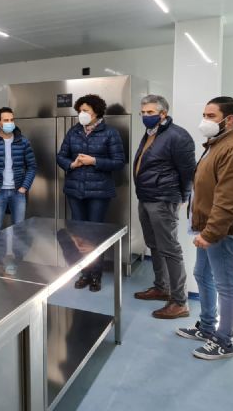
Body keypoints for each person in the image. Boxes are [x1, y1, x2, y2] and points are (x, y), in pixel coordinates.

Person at [177, 97, 233, 360]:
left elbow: (228, 199)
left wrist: (211, 233)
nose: (204, 120)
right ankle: (207, 326)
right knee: (202, 274)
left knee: (226, 285)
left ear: (229, 119)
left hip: (223, 230)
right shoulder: (217, 144)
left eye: (210, 116)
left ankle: (224, 341)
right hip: (208, 226)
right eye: (204, 115)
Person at [133, 95, 196, 319]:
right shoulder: (151, 133)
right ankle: (162, 287)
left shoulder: (178, 136)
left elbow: (188, 172)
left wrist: (182, 197)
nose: (145, 116)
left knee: (169, 249)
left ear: (163, 113)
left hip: (163, 199)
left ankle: (179, 302)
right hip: (146, 197)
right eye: (143, 112)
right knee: (154, 244)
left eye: (150, 112)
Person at [56, 94, 125, 292]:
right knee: (78, 233)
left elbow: (119, 162)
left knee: (95, 234)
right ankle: (84, 272)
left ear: (96, 112)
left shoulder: (110, 133)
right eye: (80, 111)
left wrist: (94, 161)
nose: (82, 114)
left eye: (85, 110)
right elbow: (60, 156)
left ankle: (96, 274)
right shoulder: (74, 131)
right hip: (75, 190)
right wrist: (72, 164)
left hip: (99, 192)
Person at [0, 107, 37, 233]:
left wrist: (24, 187)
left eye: (12, 120)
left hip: (18, 193)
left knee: (19, 229)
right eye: (6, 120)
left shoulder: (23, 141)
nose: (10, 123)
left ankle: (17, 248)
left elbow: (32, 166)